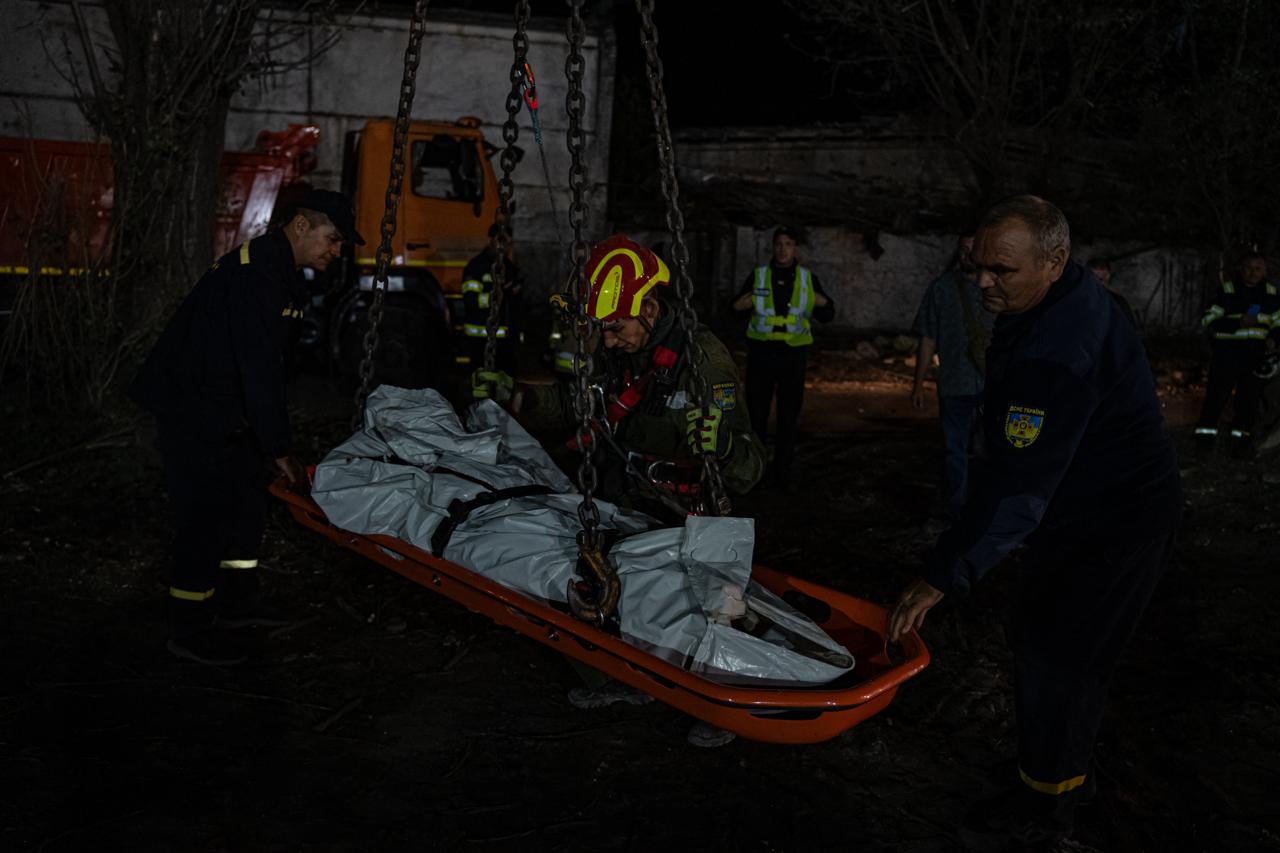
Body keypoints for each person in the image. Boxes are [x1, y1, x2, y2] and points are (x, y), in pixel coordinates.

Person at [887, 196, 1181, 848]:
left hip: (1116, 524)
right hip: (1079, 513)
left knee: (1061, 660)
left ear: (1055, 261)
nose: (983, 282)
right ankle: (1048, 773)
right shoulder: (1058, 300)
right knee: (1040, 640)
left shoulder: (1056, 345)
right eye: (978, 266)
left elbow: (1021, 489)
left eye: (1001, 270)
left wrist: (941, 574)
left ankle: (1049, 811)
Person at [473, 234, 766, 747]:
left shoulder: (701, 361)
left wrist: (721, 445)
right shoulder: (622, 356)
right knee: (588, 584)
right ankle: (621, 679)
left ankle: (726, 705)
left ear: (650, 307)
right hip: (631, 501)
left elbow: (749, 469)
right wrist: (514, 394)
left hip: (689, 510)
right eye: (602, 330)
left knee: (713, 612)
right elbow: (580, 405)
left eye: (615, 327)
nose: (607, 341)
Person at [129, 188, 364, 666]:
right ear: (301, 225)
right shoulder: (256, 273)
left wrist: (266, 436)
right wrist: (279, 447)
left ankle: (237, 602)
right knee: (207, 512)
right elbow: (257, 365)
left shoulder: (277, 271)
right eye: (333, 238)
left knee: (247, 500)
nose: (337, 251)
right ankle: (189, 625)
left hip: (224, 405)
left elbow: (270, 367)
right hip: (191, 405)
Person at [732, 226, 835, 489]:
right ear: (773, 246)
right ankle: (755, 469)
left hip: (792, 357)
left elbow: (827, 314)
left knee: (788, 416)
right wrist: (737, 306)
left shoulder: (806, 279)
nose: (783, 249)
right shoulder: (759, 276)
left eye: (788, 244)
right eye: (779, 243)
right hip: (762, 356)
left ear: (795, 248)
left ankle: (782, 472)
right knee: (756, 416)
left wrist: (823, 303)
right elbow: (734, 310)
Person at [910, 235, 991, 520]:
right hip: (955, 384)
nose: (967, 254)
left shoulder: (998, 287)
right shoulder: (942, 289)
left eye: (973, 248)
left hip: (992, 385)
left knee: (988, 451)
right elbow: (928, 338)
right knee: (954, 452)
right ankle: (957, 512)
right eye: (963, 248)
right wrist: (918, 384)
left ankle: (982, 510)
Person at [1194, 252, 1278, 459]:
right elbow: (1208, 320)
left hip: (1256, 357)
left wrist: (1273, 339)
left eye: (1258, 269)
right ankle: (1204, 443)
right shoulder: (1227, 291)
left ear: (1265, 271)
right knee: (1215, 398)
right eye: (1249, 268)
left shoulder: (1272, 294)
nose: (1253, 273)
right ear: (1241, 269)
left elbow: (1278, 323)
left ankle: (1241, 445)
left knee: (1248, 403)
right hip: (1227, 355)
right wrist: (1237, 323)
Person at [458, 222, 523, 372]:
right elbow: (471, 301)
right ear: (490, 240)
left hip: (506, 343)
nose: (503, 246)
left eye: (507, 242)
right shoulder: (476, 267)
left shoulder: (511, 269)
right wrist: (500, 295)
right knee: (482, 381)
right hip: (481, 340)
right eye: (500, 240)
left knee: (505, 383)